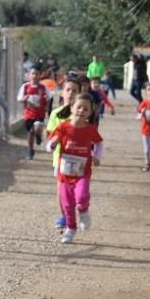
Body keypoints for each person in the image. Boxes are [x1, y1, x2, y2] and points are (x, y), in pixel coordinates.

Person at [46, 93, 104, 244]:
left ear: (90, 112)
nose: (81, 111)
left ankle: (84, 211)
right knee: (67, 203)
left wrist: (97, 157)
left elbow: (99, 143)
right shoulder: (64, 126)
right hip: (64, 173)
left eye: (86, 109)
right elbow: (53, 140)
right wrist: (51, 145)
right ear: (72, 108)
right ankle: (70, 228)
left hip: (82, 172)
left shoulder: (90, 129)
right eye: (79, 107)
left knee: (82, 197)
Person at [48, 76, 83, 230]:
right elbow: (50, 133)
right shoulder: (56, 114)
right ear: (62, 93)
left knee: (76, 191)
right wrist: (54, 141)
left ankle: (75, 210)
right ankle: (64, 215)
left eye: (74, 91)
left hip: (78, 159)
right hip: (60, 159)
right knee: (62, 190)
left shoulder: (82, 114)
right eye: (68, 90)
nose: (70, 93)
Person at [17, 67, 49, 159]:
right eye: (33, 73)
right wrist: (24, 98)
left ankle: (38, 134)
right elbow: (19, 98)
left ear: (40, 75)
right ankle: (30, 150)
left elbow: (50, 96)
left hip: (40, 113)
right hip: (28, 114)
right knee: (30, 133)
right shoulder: (25, 86)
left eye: (37, 74)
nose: (34, 76)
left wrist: (47, 104)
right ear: (29, 75)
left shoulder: (43, 87)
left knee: (38, 126)